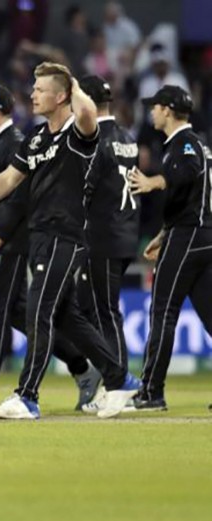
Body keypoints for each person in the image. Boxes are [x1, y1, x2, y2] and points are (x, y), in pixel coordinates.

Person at [0, 62, 139, 420]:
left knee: (39, 311)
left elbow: (86, 112)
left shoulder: (80, 135)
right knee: (66, 316)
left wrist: (70, 78)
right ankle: (120, 378)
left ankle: (27, 395)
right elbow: (7, 181)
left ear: (61, 95)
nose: (32, 94)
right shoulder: (36, 137)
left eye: (40, 89)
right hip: (41, 236)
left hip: (66, 236)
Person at [127, 85, 212, 414]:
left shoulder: (186, 144)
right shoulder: (198, 143)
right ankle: (151, 390)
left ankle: (151, 391)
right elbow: (192, 195)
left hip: (189, 235)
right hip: (200, 234)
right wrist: (164, 233)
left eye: (155, 106)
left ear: (168, 110)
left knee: (162, 310)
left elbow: (184, 176)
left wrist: (153, 182)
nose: (151, 111)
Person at [76, 75, 140, 412]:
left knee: (105, 312)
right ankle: (111, 379)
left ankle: (119, 386)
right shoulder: (128, 138)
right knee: (89, 308)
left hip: (102, 236)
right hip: (125, 232)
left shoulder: (94, 140)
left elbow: (84, 191)